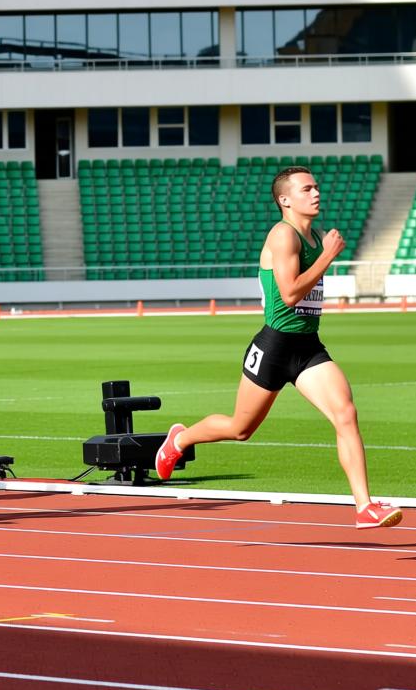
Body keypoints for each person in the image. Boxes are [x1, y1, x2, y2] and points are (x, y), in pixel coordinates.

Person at [154, 167, 403, 530]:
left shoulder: (315, 236)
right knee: (241, 428)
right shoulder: (283, 236)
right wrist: (328, 256)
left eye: (317, 186)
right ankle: (181, 438)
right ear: (285, 199)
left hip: (308, 347)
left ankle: (364, 507)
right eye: (306, 189)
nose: (316, 193)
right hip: (274, 346)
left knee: (345, 414)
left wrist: (324, 251)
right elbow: (288, 295)